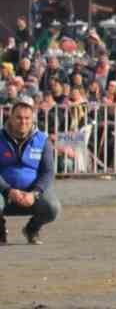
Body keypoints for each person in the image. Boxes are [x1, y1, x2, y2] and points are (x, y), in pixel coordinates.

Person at [1, 98, 59, 245]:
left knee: (52, 207)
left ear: (32, 119)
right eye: (19, 117)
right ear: (10, 117)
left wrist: (35, 193)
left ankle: (32, 229)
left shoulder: (42, 140)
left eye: (27, 118)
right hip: (3, 192)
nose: (23, 122)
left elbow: (48, 172)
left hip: (32, 193)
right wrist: (8, 190)